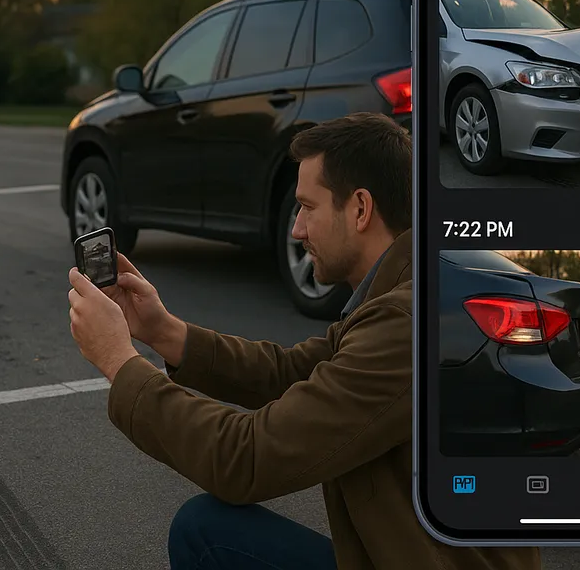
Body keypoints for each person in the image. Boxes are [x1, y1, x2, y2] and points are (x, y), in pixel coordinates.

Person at [66, 113, 541, 570]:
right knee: (205, 528)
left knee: (205, 531)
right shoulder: (405, 290)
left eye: (307, 208)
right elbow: (291, 371)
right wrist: (163, 331)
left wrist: (119, 362)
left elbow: (246, 459)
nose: (295, 229)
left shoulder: (405, 321)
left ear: (360, 209)